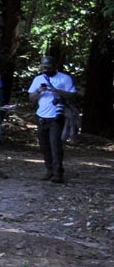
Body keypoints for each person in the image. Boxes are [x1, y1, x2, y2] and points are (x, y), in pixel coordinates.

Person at [27, 55, 78, 184]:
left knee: (55, 145)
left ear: (54, 66)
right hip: (41, 117)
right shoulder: (38, 79)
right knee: (44, 146)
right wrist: (39, 91)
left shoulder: (65, 78)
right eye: (43, 67)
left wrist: (58, 91)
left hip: (57, 116)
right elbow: (31, 98)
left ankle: (58, 173)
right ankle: (49, 170)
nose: (45, 70)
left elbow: (73, 95)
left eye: (48, 67)